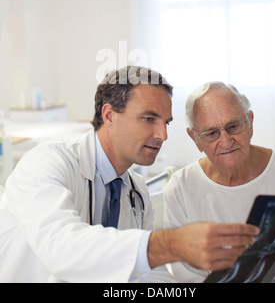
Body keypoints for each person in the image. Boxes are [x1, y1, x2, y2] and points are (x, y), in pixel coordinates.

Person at [0, 69, 258, 283]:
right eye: (148, 119)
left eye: (165, 122)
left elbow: (145, 275)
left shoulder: (137, 192)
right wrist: (171, 244)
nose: (162, 135)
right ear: (109, 115)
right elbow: (60, 248)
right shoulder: (47, 163)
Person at [163, 81, 275, 282]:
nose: (226, 142)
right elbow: (186, 274)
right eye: (211, 133)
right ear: (194, 138)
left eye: (233, 126)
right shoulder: (180, 188)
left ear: (250, 122)